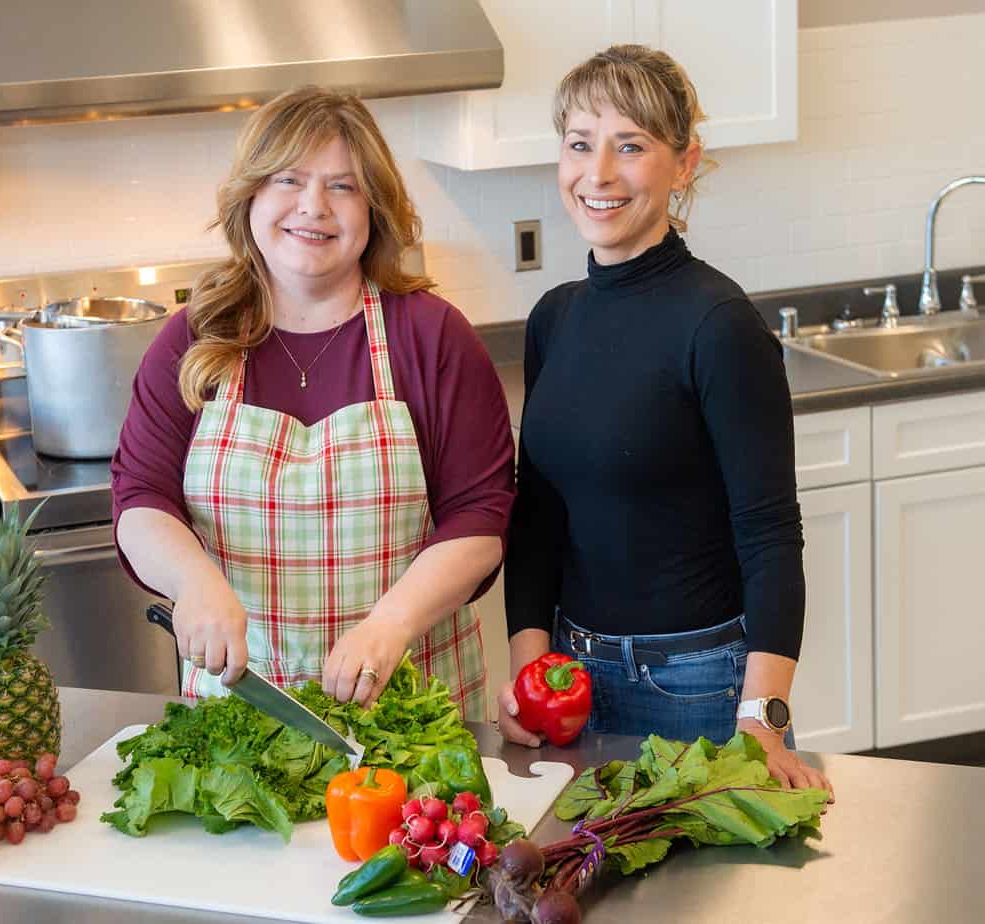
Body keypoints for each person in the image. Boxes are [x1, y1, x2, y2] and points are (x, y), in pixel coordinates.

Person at [111, 86, 515, 721]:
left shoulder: (432, 336)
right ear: (250, 197)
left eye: (343, 187)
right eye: (288, 180)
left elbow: (480, 518)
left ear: (374, 207)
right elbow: (140, 499)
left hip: (410, 709)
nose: (313, 208)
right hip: (238, 717)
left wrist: (391, 624)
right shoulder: (193, 338)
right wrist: (194, 583)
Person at [498, 45, 832, 796]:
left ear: (684, 164)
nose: (599, 174)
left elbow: (772, 534)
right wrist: (530, 669)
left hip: (699, 690)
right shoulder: (554, 318)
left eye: (631, 146)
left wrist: (762, 719)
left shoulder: (718, 324)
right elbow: (540, 515)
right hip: (570, 685)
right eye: (580, 144)